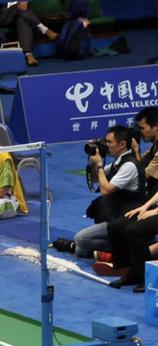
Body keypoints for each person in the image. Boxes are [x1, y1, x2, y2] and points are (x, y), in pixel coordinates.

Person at [102, 107, 158, 293]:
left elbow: (143, 175)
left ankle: (149, 275)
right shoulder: (154, 147)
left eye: (142, 128)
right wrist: (146, 207)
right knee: (116, 227)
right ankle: (132, 271)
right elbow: (141, 169)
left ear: (156, 126)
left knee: (133, 231)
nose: (140, 132)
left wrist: (153, 210)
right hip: (151, 204)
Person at [71, 126, 145, 258]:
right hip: (116, 215)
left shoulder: (129, 165)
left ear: (122, 144)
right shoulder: (117, 163)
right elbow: (95, 178)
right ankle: (114, 248)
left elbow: (105, 190)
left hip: (127, 219)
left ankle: (119, 248)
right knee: (80, 245)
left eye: (109, 142)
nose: (106, 145)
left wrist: (99, 165)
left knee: (80, 239)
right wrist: (93, 162)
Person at [0, 1, 59, 66]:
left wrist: (26, 1)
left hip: (20, 14)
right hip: (4, 15)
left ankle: (29, 55)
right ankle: (44, 29)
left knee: (22, 19)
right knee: (18, 6)